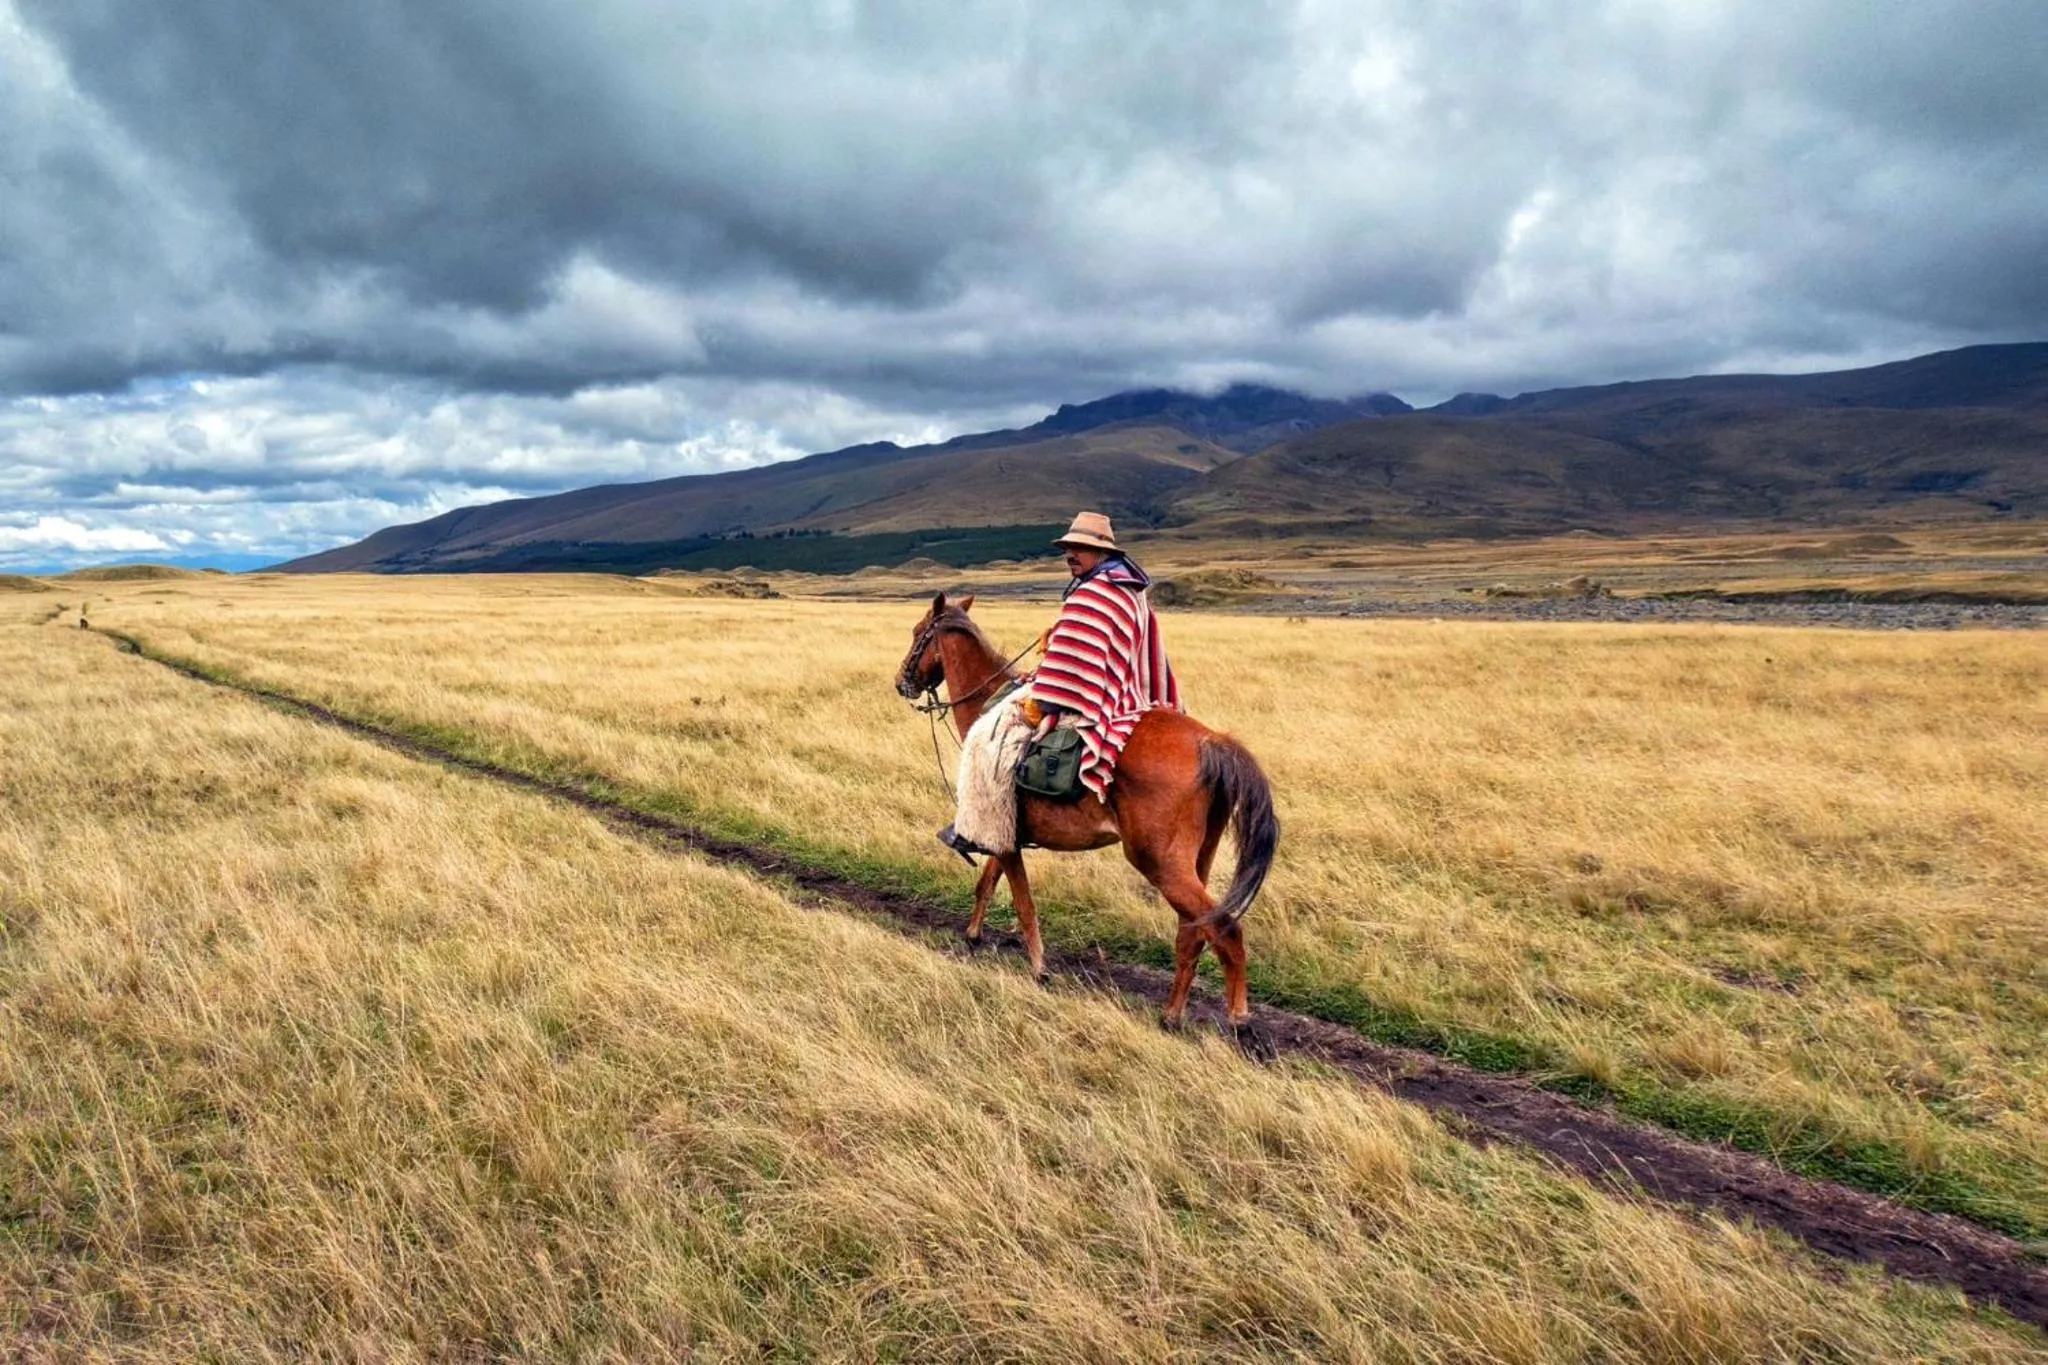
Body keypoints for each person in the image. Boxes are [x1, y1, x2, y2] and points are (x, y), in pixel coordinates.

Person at [939, 511, 1180, 860]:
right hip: (1128, 690)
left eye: (1079, 548)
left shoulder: (1093, 593)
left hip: (1093, 699)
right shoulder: (1128, 589)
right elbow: (1082, 650)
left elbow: (1072, 668)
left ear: (1102, 552)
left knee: (988, 732)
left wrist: (1044, 691)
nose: (1070, 555)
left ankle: (985, 829)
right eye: (1068, 548)